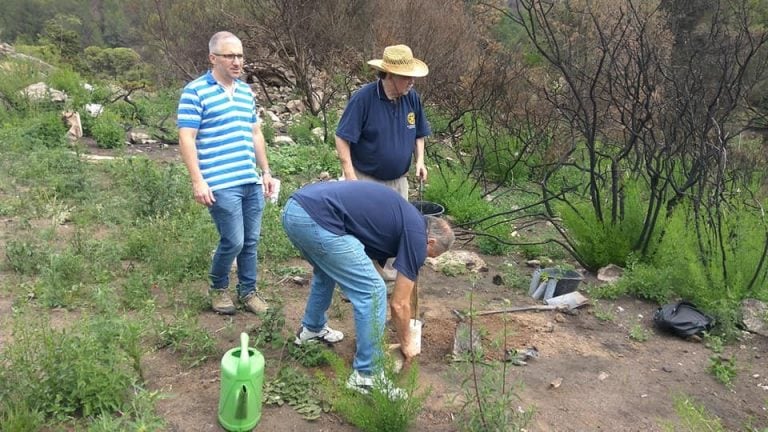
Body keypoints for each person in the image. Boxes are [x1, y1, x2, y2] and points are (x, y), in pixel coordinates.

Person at [281, 181, 454, 397]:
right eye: (429, 256)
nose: (424, 259)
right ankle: (367, 376)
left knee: (327, 272)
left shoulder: (406, 217)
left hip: (297, 210)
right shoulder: (417, 236)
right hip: (315, 218)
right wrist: (407, 342)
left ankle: (312, 330)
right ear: (430, 241)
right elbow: (399, 304)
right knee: (373, 291)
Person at [177, 31, 275, 315]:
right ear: (213, 58)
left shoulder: (245, 92)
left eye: (240, 55)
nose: (237, 61)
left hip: (249, 179)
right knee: (234, 240)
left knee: (251, 241)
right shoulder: (195, 91)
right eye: (229, 55)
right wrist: (198, 181)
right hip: (220, 183)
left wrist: (266, 172)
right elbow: (187, 138)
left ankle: (248, 292)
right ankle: (218, 288)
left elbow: (256, 133)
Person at [335, 44, 431, 280]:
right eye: (406, 77)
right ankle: (359, 278)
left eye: (412, 77)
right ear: (390, 75)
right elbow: (342, 137)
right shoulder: (364, 99)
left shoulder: (412, 99)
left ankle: (386, 273)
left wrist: (420, 161)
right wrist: (349, 174)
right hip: (367, 177)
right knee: (364, 229)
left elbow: (420, 132)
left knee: (396, 227)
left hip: (398, 179)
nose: (411, 82)